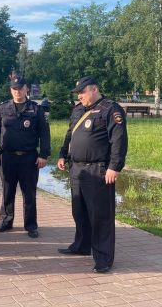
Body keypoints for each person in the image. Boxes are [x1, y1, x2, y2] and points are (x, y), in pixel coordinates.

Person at [57, 76, 128, 274]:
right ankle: (81, 245)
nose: (79, 96)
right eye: (77, 93)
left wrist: (115, 167)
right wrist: (63, 154)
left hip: (98, 170)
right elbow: (70, 134)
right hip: (77, 168)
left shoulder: (110, 109)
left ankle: (103, 257)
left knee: (100, 216)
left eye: (82, 92)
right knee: (79, 211)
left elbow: (119, 140)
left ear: (94, 89)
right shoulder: (78, 110)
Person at [0, 75, 51, 238]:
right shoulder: (3, 109)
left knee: (29, 193)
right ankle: (6, 221)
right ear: (11, 90)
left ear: (26, 89)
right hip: (7, 157)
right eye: (14, 89)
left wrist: (44, 154)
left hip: (29, 158)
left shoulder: (36, 109)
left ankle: (31, 225)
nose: (17, 91)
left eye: (21, 88)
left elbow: (44, 133)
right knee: (7, 191)